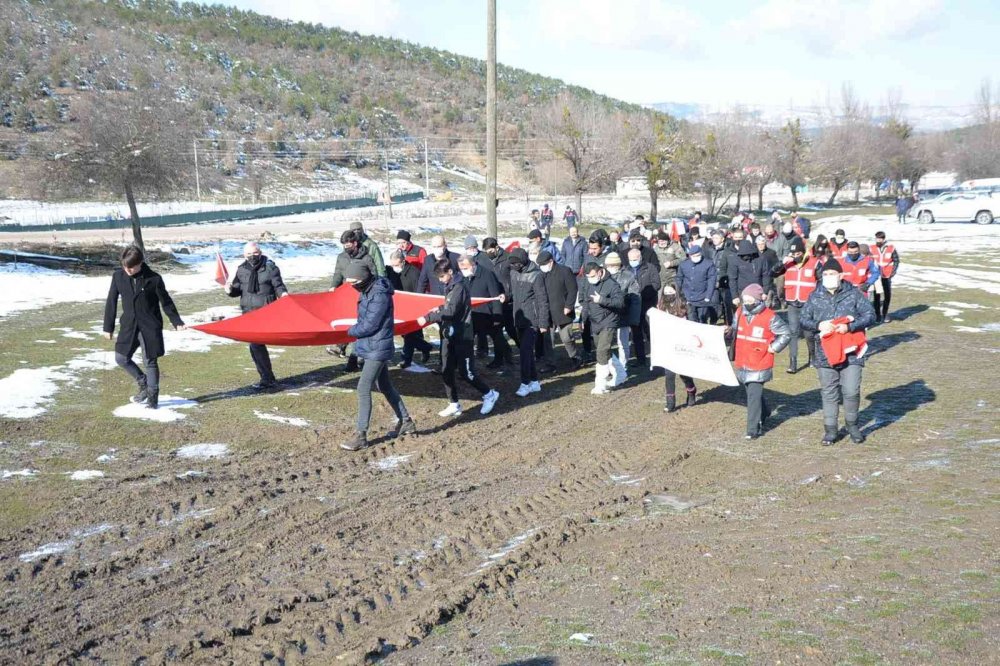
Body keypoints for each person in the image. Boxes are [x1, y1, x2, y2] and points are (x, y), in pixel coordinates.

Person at [800, 258, 877, 446]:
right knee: (829, 392)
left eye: (832, 274)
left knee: (851, 391)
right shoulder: (814, 296)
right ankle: (831, 430)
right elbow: (803, 320)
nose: (828, 277)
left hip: (851, 351)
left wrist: (850, 326)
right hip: (825, 352)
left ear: (841, 276)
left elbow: (870, 315)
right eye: (825, 274)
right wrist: (818, 325)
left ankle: (852, 426)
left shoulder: (854, 294)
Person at [341, 263, 416, 451]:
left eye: (354, 282)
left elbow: (370, 325)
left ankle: (361, 435)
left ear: (363, 279)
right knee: (384, 385)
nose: (352, 286)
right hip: (372, 345)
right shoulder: (368, 289)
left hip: (378, 347)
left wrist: (346, 333)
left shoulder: (379, 294)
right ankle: (406, 421)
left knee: (363, 387)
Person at [103, 246, 186, 410]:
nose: (127, 270)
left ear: (140, 263)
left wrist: (177, 321)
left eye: (131, 267)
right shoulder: (118, 276)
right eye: (125, 266)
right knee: (121, 358)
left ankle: (152, 399)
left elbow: (166, 302)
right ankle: (144, 383)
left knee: (150, 360)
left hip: (150, 326)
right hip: (129, 326)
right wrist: (108, 327)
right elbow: (111, 301)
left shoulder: (154, 279)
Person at [418, 260, 500, 418]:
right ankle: (453, 403)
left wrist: (429, 317)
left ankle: (489, 394)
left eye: (442, 276)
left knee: (466, 372)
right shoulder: (450, 286)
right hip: (450, 334)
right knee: (446, 369)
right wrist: (439, 308)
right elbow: (449, 306)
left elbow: (452, 311)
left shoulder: (459, 287)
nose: (440, 280)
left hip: (463, 336)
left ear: (449, 272)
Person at [730, 284, 791, 440]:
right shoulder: (739, 313)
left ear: (757, 299)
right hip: (743, 360)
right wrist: (726, 331)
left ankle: (753, 429)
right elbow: (734, 331)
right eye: (745, 299)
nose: (747, 301)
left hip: (760, 361)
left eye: (750, 298)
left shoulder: (769, 316)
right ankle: (765, 411)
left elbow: (785, 333)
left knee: (752, 396)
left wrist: (773, 348)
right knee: (751, 392)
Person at [225, 242, 289, 390]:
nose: (252, 257)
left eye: (255, 253)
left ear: (260, 252)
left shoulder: (270, 267)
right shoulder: (241, 270)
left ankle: (267, 378)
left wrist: (284, 295)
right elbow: (237, 289)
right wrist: (229, 290)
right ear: (244, 255)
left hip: (267, 312)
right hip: (248, 313)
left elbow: (278, 285)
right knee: (255, 345)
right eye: (249, 254)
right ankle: (267, 378)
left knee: (257, 344)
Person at [329, 229, 379, 370]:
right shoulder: (341, 257)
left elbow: (374, 276)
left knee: (361, 327)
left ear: (355, 243)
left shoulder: (366, 258)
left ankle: (356, 359)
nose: (346, 248)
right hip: (346, 298)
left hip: (362, 296)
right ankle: (348, 353)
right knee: (349, 326)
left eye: (348, 245)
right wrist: (333, 286)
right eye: (344, 245)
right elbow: (338, 273)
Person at [771, 236, 819, 373]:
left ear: (803, 252)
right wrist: (782, 263)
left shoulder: (814, 263)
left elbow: (821, 281)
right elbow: (772, 272)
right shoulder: (788, 264)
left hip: (808, 303)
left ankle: (812, 357)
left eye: (798, 253)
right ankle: (793, 362)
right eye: (793, 254)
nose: (796, 256)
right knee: (793, 332)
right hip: (792, 302)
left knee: (809, 334)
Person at [507, 248, 550, 397]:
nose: (513, 266)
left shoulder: (536, 275)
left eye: (516, 264)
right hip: (518, 318)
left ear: (523, 262)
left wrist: (543, 323)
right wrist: (505, 298)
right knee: (526, 352)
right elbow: (512, 293)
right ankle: (534, 381)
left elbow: (542, 300)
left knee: (525, 352)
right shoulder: (513, 273)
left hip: (533, 320)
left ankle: (525, 383)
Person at [581, 261, 626, 394]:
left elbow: (620, 303)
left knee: (601, 351)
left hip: (609, 321)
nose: (590, 279)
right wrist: (583, 319)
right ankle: (621, 373)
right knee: (604, 350)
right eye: (588, 277)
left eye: (593, 276)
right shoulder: (587, 283)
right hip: (595, 322)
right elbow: (585, 303)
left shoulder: (612, 284)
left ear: (600, 272)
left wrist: (602, 300)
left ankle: (600, 384)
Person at [459, 253, 510, 368]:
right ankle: (465, 363)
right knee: (466, 340)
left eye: (465, 268)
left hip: (488, 314)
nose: (463, 271)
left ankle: (502, 359)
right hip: (472, 314)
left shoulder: (487, 275)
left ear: (473, 265)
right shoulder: (463, 277)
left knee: (497, 338)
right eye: (461, 269)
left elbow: (495, 296)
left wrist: (497, 316)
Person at [387, 250, 433, 369]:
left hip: (412, 307)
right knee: (406, 334)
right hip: (397, 306)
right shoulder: (390, 271)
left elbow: (419, 291)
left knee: (409, 334)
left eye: (396, 265)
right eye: (392, 265)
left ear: (403, 262)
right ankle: (425, 347)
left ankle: (406, 359)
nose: (394, 268)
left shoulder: (414, 273)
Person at [656, 285, 698, 412]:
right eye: (666, 292)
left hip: (683, 345)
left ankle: (691, 390)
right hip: (668, 345)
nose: (669, 294)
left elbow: (693, 324)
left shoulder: (686, 306)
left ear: (677, 292)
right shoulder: (660, 308)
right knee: (669, 374)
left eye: (671, 292)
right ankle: (670, 402)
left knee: (684, 373)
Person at [537, 250, 581, 369]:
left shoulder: (565, 271)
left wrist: (569, 305)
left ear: (551, 261)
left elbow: (573, 289)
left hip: (563, 311)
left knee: (567, 337)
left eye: (544, 265)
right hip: (547, 312)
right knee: (548, 340)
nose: (542, 267)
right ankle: (550, 363)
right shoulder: (541, 275)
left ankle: (575, 357)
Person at [483, 237, 519, 355]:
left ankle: (524, 349)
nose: (489, 254)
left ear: (496, 248)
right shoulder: (485, 261)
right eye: (486, 252)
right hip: (494, 300)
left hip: (508, 301)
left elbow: (515, 280)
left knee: (511, 329)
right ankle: (500, 357)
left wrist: (509, 295)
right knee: (496, 331)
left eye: (490, 251)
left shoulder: (508, 258)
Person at [606, 252, 640, 370]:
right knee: (607, 343)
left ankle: (623, 365)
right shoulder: (604, 275)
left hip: (623, 313)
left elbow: (635, 297)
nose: (610, 268)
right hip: (607, 315)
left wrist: (633, 318)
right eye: (608, 266)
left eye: (612, 265)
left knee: (623, 342)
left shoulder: (628, 276)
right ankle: (609, 365)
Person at [629, 247, 660, 367]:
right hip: (633, 307)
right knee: (636, 335)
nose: (633, 261)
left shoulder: (650, 268)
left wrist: (644, 294)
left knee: (650, 332)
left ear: (640, 258)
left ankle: (657, 358)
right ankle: (640, 359)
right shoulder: (627, 270)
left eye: (635, 259)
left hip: (648, 305)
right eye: (631, 259)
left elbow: (656, 284)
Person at [676, 244, 718, 323]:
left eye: (697, 255)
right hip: (688, 297)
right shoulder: (684, 264)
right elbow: (679, 278)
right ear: (690, 255)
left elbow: (711, 281)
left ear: (701, 253)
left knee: (702, 319)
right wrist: (679, 294)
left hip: (702, 297)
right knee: (691, 320)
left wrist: (708, 296)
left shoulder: (708, 264)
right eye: (693, 256)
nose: (696, 257)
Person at [728, 239, 772, 306]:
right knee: (744, 313)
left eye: (747, 254)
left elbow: (766, 275)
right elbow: (732, 279)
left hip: (758, 291)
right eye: (743, 255)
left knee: (758, 313)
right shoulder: (735, 260)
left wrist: (765, 292)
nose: (745, 256)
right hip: (742, 292)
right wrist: (735, 296)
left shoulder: (760, 259)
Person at [870, 231, 900, 323]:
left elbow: (896, 260)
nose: (878, 240)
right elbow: (868, 260)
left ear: (884, 239)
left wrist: (893, 272)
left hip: (887, 275)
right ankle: (877, 315)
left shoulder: (891, 248)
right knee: (876, 296)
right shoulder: (871, 248)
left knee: (887, 295)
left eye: (880, 239)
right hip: (876, 275)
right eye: (877, 238)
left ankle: (885, 313)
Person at [754, 234, 780, 306]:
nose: (761, 246)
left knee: (767, 299)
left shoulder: (771, 253)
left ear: (765, 243)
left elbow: (776, 264)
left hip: (768, 277)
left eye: (762, 244)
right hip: (757, 278)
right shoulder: (754, 253)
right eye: (759, 244)